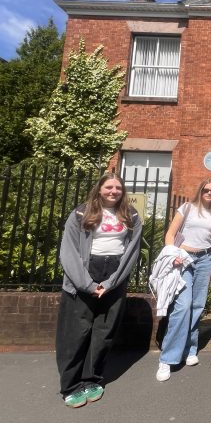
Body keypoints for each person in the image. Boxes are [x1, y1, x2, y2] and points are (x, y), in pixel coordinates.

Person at [56, 172, 142, 408]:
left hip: (114, 274)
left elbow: (131, 252)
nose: (113, 191)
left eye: (118, 188)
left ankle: (91, 379)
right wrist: (88, 284)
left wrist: (112, 282)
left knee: (104, 331)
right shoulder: (81, 213)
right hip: (84, 273)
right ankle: (71, 385)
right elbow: (69, 250)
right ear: (99, 188)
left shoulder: (131, 215)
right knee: (76, 332)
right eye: (109, 187)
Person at [156, 179, 211, 382]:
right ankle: (167, 358)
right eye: (206, 190)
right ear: (200, 190)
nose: (209, 193)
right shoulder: (186, 208)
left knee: (197, 306)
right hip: (183, 258)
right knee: (182, 306)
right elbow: (170, 233)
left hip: (204, 260)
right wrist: (173, 253)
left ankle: (190, 348)